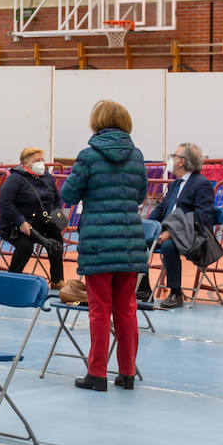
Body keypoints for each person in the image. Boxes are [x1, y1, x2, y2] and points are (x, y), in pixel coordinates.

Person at [60, 100, 149, 392]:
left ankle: (97, 373)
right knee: (127, 310)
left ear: (96, 122)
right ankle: (127, 373)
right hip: (130, 239)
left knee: (100, 309)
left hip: (98, 239)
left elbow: (69, 194)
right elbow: (139, 195)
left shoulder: (88, 156)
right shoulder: (136, 156)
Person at [146, 142, 216, 309]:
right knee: (137, 240)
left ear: (182, 161)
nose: (171, 159)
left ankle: (175, 293)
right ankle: (142, 289)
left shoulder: (201, 184)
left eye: (173, 156)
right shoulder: (174, 184)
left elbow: (202, 216)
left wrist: (173, 232)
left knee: (169, 245)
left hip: (194, 234)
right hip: (168, 229)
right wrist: (147, 225)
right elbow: (162, 208)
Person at [0, 147, 66, 290]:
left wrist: (54, 216)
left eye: (42, 160)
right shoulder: (15, 179)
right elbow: (5, 202)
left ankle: (57, 281)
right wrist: (20, 221)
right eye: (36, 160)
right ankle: (12, 278)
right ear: (25, 162)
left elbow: (56, 199)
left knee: (57, 242)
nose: (41, 163)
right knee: (25, 246)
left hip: (42, 223)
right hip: (14, 225)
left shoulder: (47, 177)